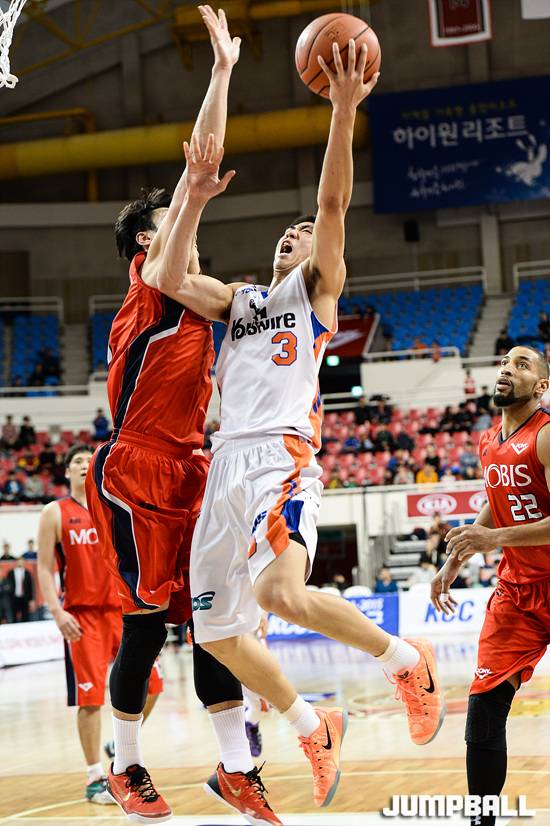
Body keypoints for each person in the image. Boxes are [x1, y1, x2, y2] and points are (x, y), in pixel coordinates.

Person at [161, 42, 444, 811]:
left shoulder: (315, 295)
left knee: (282, 595)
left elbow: (332, 207)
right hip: (224, 466)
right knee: (216, 633)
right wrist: (193, 197)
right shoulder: (240, 301)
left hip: (280, 458)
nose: (295, 233)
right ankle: (313, 725)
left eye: (303, 231)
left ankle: (402, 658)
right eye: (285, 232)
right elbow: (170, 276)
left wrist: (343, 111)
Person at [85, 11, 279, 826]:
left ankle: (237, 769)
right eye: (168, 217)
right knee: (141, 625)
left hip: (195, 466)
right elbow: (198, 169)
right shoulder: (149, 283)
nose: (187, 220)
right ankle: (124, 766)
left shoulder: (201, 298)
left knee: (212, 621)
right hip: (135, 467)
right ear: (144, 238)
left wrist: (226, 71)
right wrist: (220, 79)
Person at [431, 345, 550, 826]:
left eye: (521, 365)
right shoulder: (489, 440)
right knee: (483, 706)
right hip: (518, 593)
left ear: (541, 387)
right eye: (504, 362)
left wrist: (494, 539)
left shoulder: (546, 436)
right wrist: (455, 559)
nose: (507, 368)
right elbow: (497, 501)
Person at [37, 444, 164, 805]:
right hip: (83, 616)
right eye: (75, 461)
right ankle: (95, 776)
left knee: (153, 686)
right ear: (66, 472)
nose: (82, 465)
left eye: (86, 461)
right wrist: (57, 612)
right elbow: (44, 567)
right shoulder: (54, 512)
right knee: (90, 698)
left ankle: (120, 746)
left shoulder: (109, 504)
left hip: (123, 612)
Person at [6, 557, 34, 621]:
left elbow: (30, 587)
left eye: (22, 562)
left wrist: (31, 599)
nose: (21, 563)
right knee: (13, 616)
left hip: (25, 598)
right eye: (19, 562)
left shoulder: (27, 573)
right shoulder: (11, 573)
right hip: (13, 598)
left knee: (25, 616)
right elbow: (8, 586)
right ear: (16, 562)